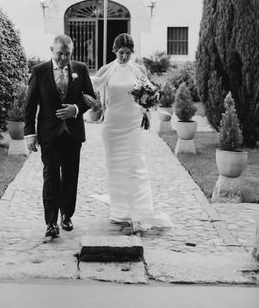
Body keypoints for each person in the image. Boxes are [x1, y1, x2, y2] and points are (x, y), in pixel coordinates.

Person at [88, 33, 172, 234]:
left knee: (136, 166)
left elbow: (150, 94)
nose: (124, 57)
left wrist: (147, 107)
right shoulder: (106, 70)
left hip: (133, 125)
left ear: (132, 53)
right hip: (112, 125)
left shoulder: (139, 70)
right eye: (121, 53)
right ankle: (119, 212)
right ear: (114, 51)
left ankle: (141, 210)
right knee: (115, 168)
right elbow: (91, 87)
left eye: (127, 53)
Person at [24, 34, 96, 238]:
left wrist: (75, 108)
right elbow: (29, 104)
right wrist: (29, 133)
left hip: (72, 133)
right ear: (51, 50)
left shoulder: (80, 69)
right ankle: (51, 222)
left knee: (71, 175)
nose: (63, 58)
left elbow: (90, 99)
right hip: (49, 133)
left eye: (67, 54)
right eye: (59, 54)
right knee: (51, 176)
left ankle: (66, 215)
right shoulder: (39, 71)